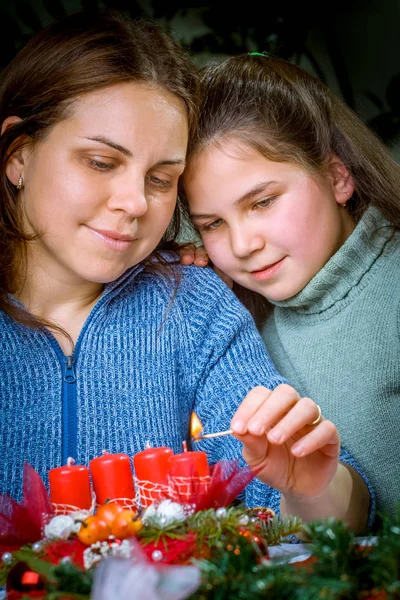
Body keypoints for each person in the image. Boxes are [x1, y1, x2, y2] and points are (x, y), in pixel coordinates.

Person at [0, 14, 371, 533]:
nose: (134, 203)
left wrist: (310, 491)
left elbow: (314, 506)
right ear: (18, 155)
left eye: (161, 178)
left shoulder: (193, 304)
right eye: (102, 162)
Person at [179, 52, 400, 518]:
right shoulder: (242, 328)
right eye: (213, 224)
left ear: (337, 176)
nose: (242, 244)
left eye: (262, 202)